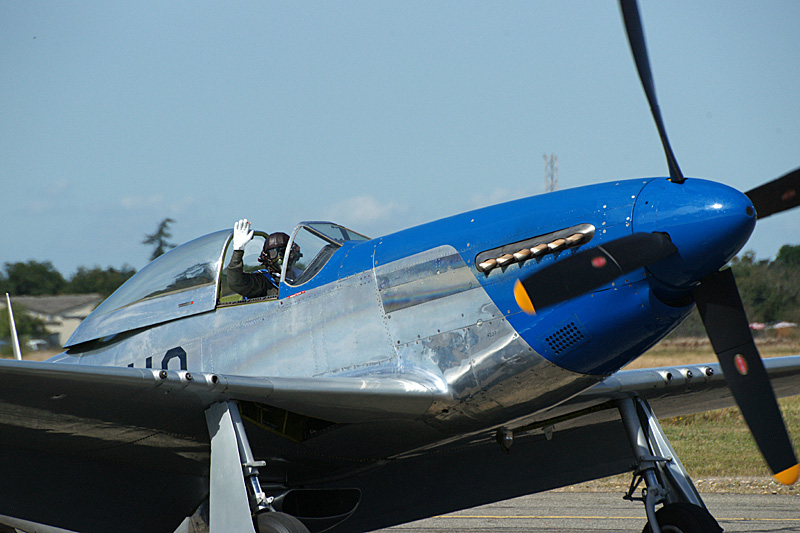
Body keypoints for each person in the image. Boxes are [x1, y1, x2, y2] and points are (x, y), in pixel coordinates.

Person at [225, 219, 280, 298]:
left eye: (284, 251)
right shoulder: (263, 282)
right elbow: (236, 282)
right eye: (274, 253)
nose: (280, 257)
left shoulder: (298, 276)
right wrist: (238, 251)